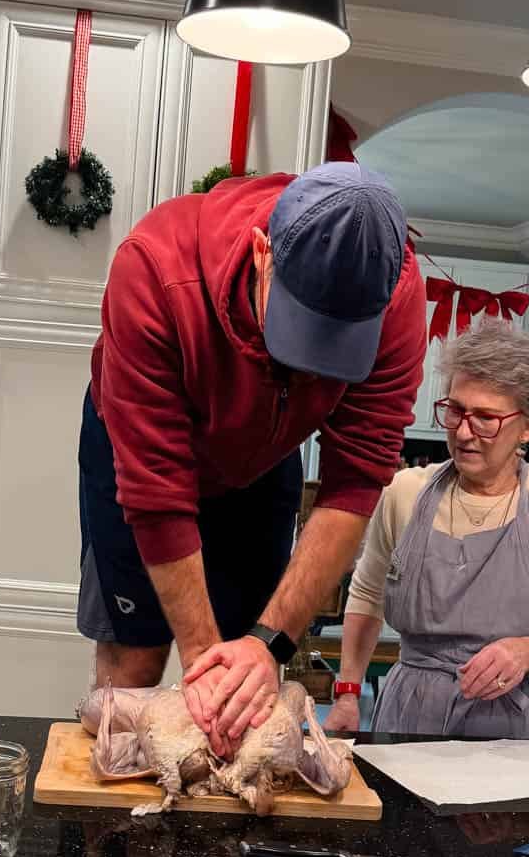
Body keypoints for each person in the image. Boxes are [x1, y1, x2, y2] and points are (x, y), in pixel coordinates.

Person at [78, 163, 426, 751]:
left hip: (264, 459)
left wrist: (267, 644)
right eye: (300, 328)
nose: (313, 363)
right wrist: (202, 667)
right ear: (264, 252)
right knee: (138, 663)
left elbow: (357, 480)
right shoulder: (156, 268)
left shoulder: (397, 297)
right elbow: (158, 495)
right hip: (139, 451)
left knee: (252, 682)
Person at [325, 319, 529, 740]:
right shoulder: (403, 495)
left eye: (486, 418)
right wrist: (347, 692)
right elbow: (368, 596)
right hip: (412, 717)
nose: (464, 433)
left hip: (526, 732)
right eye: (455, 410)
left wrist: (526, 652)